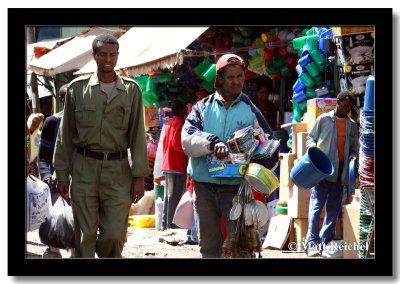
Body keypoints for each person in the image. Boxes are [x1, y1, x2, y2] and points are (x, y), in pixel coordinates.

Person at [53, 34, 149, 258]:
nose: (108, 59)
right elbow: (64, 135)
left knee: (114, 236)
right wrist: (61, 174)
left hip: (119, 172)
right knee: (84, 237)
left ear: (117, 56)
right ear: (94, 56)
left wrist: (139, 177)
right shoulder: (77, 89)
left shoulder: (132, 90)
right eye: (103, 54)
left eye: (113, 54)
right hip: (84, 169)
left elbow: (137, 137)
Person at [181, 54, 278, 258]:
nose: (236, 81)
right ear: (220, 80)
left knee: (240, 246)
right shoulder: (202, 107)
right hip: (204, 186)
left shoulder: (251, 111)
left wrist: (256, 158)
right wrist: (212, 143)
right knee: (208, 246)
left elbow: (269, 146)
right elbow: (187, 139)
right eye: (230, 77)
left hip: (236, 188)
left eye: (240, 76)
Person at [305, 90, 359, 257]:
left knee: (334, 209)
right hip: (321, 169)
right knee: (316, 206)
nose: (347, 109)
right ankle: (311, 243)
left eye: (350, 106)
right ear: (338, 102)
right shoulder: (323, 119)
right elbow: (310, 138)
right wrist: (313, 149)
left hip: (340, 171)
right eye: (345, 105)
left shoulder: (351, 125)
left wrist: (353, 158)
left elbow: (354, 148)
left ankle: (324, 243)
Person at [37, 84, 68, 258]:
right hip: (56, 181)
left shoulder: (85, 122)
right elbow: (43, 154)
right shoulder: (52, 122)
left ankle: (76, 250)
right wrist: (47, 175)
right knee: (54, 219)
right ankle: (53, 250)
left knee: (77, 219)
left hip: (80, 180)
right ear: (62, 99)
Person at [161, 101, 188, 230]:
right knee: (174, 196)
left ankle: (165, 224)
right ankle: (172, 226)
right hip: (176, 164)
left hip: (168, 164)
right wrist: (188, 153)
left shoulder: (171, 122)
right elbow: (177, 143)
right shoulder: (179, 123)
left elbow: (167, 143)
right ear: (182, 110)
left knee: (169, 196)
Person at [27, 113, 45, 178]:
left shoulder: (40, 135)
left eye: (38, 123)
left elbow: (41, 150)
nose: (35, 124)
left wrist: (35, 160)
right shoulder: (26, 133)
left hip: (33, 166)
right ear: (30, 120)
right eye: (34, 121)